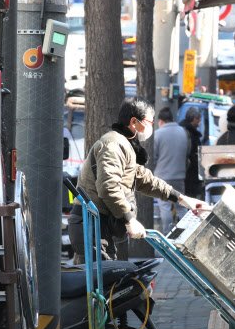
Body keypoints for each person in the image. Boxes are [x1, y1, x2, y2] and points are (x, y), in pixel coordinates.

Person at [67, 97, 205, 263]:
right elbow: (108, 186)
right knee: (100, 283)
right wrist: (129, 219)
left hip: (98, 225)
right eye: (149, 122)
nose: (151, 127)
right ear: (134, 121)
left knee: (105, 282)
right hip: (91, 225)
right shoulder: (113, 145)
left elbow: (145, 180)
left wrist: (181, 199)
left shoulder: (124, 144)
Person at [153, 106, 189, 234]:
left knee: (165, 206)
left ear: (160, 121)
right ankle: (186, 232)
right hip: (179, 175)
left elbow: (153, 156)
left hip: (162, 175)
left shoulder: (158, 134)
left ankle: (167, 234)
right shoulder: (182, 132)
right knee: (181, 205)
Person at [179, 107, 203, 198]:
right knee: (190, 197)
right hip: (190, 172)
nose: (200, 121)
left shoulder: (182, 129)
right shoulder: (191, 133)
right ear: (194, 119)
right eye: (199, 118)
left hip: (182, 170)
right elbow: (194, 153)